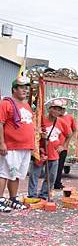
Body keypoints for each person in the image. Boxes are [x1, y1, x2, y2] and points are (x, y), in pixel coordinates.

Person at [0, 77, 35, 211]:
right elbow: (1, 123)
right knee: (4, 173)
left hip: (25, 146)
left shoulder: (27, 105)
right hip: (11, 145)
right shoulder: (6, 103)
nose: (25, 90)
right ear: (14, 89)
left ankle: (12, 198)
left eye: (26, 87)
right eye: (21, 87)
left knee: (16, 174)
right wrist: (2, 143)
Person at [28, 99, 73, 200]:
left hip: (54, 153)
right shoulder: (41, 120)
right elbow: (32, 132)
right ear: (49, 109)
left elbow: (69, 134)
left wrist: (63, 146)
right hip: (41, 152)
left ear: (61, 112)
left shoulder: (62, 122)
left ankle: (44, 195)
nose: (56, 111)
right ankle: (32, 195)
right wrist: (39, 134)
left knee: (51, 177)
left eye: (59, 110)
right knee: (34, 174)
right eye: (54, 109)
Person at [53, 108, 77, 190]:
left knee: (60, 165)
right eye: (58, 109)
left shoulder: (69, 117)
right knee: (51, 165)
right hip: (53, 145)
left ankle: (57, 182)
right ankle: (51, 182)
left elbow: (74, 130)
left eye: (61, 109)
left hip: (63, 146)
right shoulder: (54, 117)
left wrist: (66, 142)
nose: (59, 111)